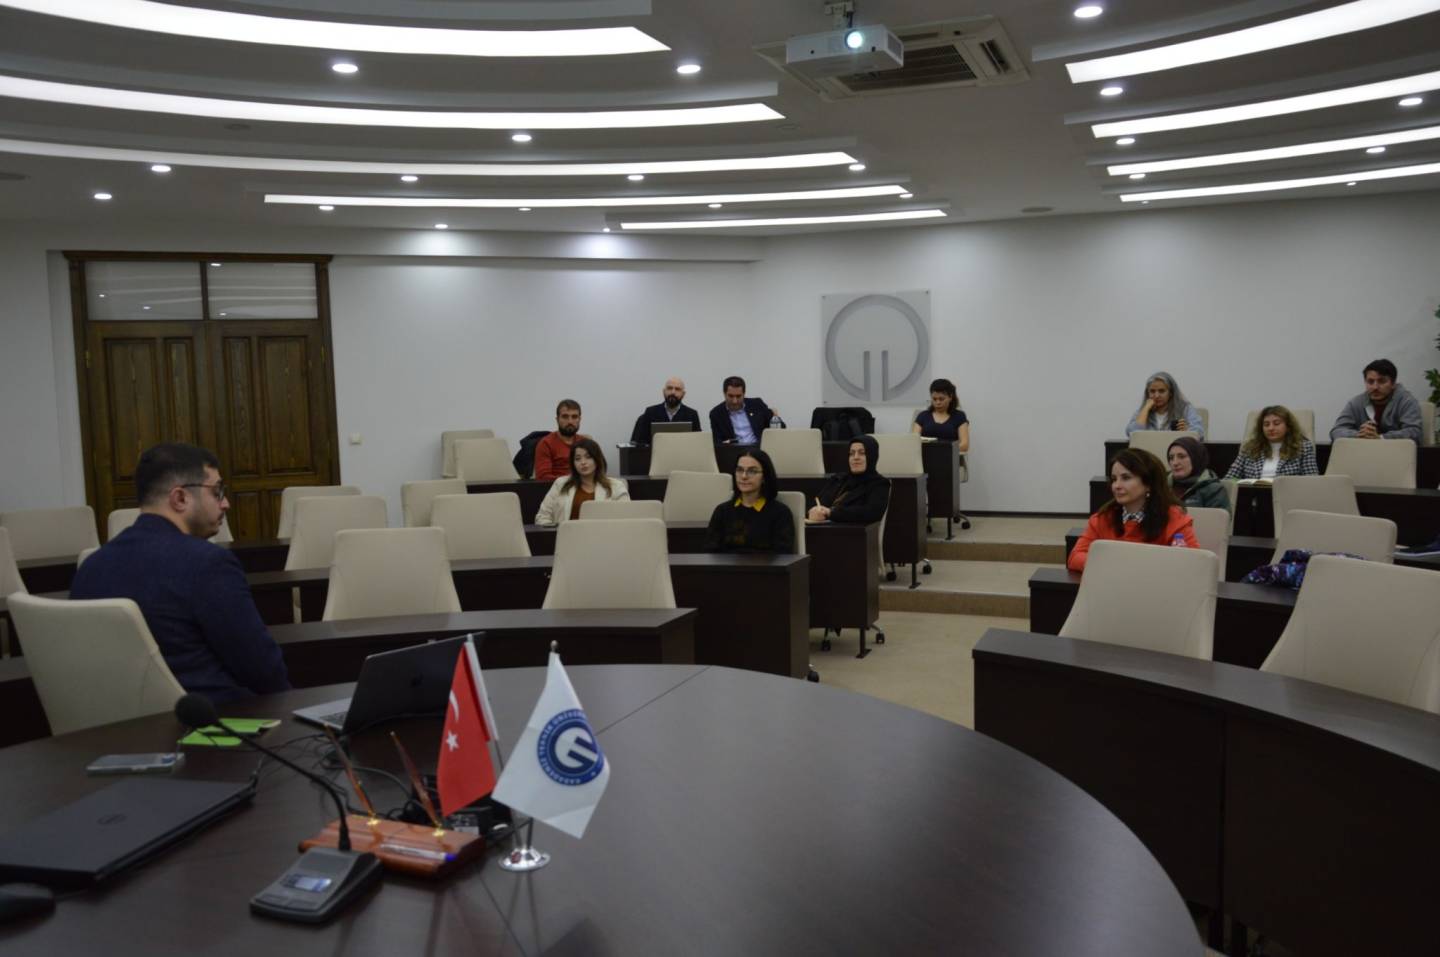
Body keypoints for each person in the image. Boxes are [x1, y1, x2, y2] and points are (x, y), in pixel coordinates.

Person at [68, 443, 290, 702]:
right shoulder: (208, 564)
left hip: (120, 722)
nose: (226, 503)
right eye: (217, 492)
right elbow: (264, 672)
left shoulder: (91, 567)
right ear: (180, 498)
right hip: (212, 720)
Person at [1068, 447, 1199, 572]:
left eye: (1126, 478)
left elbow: (1192, 563)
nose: (1116, 486)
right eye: (1114, 479)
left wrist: (1135, 568)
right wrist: (1110, 565)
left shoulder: (1175, 519)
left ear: (1148, 484)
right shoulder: (1102, 518)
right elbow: (1075, 557)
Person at [704, 449, 796, 553]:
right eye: (739, 470)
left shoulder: (780, 513)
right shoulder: (722, 511)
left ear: (764, 477)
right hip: (726, 564)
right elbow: (710, 551)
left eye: (752, 471)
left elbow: (783, 554)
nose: (744, 476)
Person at [535, 438, 630, 525]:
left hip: (602, 536)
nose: (583, 462)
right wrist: (557, 532)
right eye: (578, 459)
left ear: (597, 459)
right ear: (573, 463)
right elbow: (542, 517)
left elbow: (626, 520)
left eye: (588, 457)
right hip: (566, 536)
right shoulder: (560, 484)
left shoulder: (616, 486)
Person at [1329, 358, 1423, 442]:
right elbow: (1336, 431)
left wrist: (1381, 438)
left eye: (1382, 381)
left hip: (1396, 454)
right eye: (1370, 382)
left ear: (1393, 383)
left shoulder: (1407, 401)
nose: (1375, 387)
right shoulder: (1355, 403)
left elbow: (1415, 432)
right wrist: (1359, 435)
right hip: (1364, 454)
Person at [808, 435, 890, 524]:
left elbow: (871, 512)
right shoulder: (838, 479)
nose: (856, 457)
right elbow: (817, 503)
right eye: (851, 453)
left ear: (872, 456)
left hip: (852, 531)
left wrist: (831, 513)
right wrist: (813, 511)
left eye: (862, 453)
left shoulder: (879, 484)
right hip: (823, 529)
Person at [1225, 405, 1319, 479]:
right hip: (1253, 496)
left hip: (1289, 496)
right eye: (1266, 424)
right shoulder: (1250, 447)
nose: (1271, 428)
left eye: (1276, 423)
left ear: (1288, 426)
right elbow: (1231, 478)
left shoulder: (1303, 447)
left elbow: (1311, 480)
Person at [1125, 372, 1205, 439]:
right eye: (1152, 391)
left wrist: (1187, 432)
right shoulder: (1142, 412)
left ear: (1171, 393)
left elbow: (1199, 433)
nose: (1156, 396)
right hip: (1148, 452)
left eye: (1161, 391)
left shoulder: (1185, 409)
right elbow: (1132, 434)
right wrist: (1146, 409)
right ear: (1147, 393)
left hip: (1175, 452)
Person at [629, 376, 702, 444]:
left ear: (683, 394)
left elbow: (698, 443)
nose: (673, 392)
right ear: (664, 391)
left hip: (683, 453)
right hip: (655, 453)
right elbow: (640, 443)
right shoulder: (650, 412)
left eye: (677, 389)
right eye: (669, 388)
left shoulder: (692, 415)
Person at [1167, 437, 1230, 514]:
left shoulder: (1213, 489)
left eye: (1181, 456)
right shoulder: (1163, 485)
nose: (1175, 463)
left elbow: (1218, 520)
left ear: (1196, 458)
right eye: (1171, 458)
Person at [708, 376, 777, 446]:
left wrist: (775, 418)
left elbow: (779, 429)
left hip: (759, 449)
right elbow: (717, 441)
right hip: (734, 450)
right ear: (724, 394)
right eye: (731, 396)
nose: (734, 401)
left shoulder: (757, 405)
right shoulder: (716, 414)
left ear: (744, 394)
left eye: (738, 396)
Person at [534, 399, 588, 481]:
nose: (570, 421)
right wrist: (572, 481)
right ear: (557, 419)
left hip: (585, 485)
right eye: (565, 417)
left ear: (579, 419)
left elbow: (599, 470)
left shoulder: (586, 442)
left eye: (574, 417)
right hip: (557, 487)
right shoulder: (545, 444)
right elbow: (543, 478)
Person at [912, 377, 970, 451]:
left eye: (941, 399)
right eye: (934, 399)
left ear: (950, 397)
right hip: (925, 456)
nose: (938, 402)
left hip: (949, 456)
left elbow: (964, 445)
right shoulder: (922, 416)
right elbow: (913, 442)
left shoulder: (959, 416)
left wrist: (941, 450)